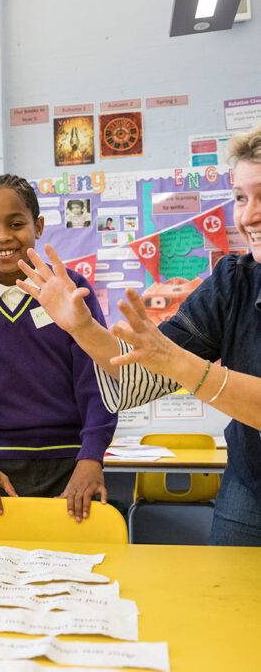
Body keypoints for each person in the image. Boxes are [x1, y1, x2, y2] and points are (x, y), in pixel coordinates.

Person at [15, 124, 261, 545]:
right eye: (240, 197)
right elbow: (141, 372)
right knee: (229, 600)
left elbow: (173, 362)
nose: (247, 215)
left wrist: (182, 366)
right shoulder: (234, 282)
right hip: (251, 483)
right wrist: (83, 328)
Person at [0, 174, 117, 523]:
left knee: (74, 570)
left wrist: (92, 456)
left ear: (39, 226)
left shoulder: (71, 289)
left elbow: (98, 381)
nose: (3, 236)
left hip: (72, 464)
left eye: (16, 224)